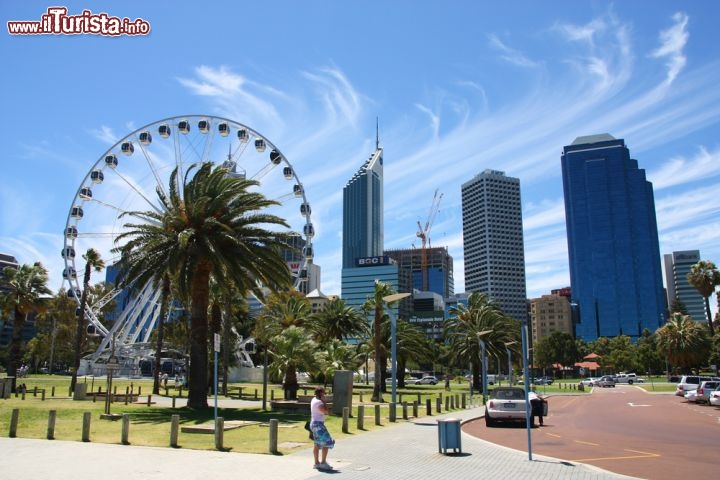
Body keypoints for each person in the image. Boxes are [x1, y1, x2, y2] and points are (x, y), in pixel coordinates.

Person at [310, 387, 335, 470]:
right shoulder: (319, 402)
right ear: (321, 393)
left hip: (314, 424)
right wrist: (324, 401)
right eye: (324, 393)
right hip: (318, 425)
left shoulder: (314, 399)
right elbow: (326, 411)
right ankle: (323, 463)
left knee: (317, 444)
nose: (325, 395)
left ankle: (316, 463)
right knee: (327, 442)